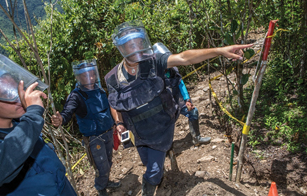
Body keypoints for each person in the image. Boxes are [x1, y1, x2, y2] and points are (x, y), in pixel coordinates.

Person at [104, 20, 253, 196]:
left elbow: (184, 57)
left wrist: (219, 51)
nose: (136, 47)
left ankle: (148, 188)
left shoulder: (154, 62)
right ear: (122, 48)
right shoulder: (113, 78)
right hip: (138, 132)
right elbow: (114, 102)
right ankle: (155, 177)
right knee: (148, 163)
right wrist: (119, 122)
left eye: (138, 42)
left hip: (160, 127)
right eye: (131, 44)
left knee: (153, 171)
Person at [0, 52, 76, 195]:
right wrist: (32, 116)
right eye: (7, 94)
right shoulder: (26, 124)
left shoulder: (22, 123)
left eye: (17, 90)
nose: (18, 98)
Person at [51, 59, 121, 196]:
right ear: (79, 77)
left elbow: (107, 109)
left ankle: (106, 182)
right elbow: (68, 111)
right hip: (95, 139)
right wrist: (61, 119)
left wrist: (114, 125)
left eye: (92, 74)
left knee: (108, 161)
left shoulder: (99, 90)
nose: (90, 77)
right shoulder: (77, 96)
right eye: (85, 75)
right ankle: (101, 188)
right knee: (101, 166)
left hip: (107, 133)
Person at [154, 42, 211, 146]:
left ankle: (196, 138)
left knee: (193, 111)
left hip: (177, 98)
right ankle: (165, 147)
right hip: (163, 104)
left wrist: (187, 99)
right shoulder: (154, 74)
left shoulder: (173, 69)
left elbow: (180, 83)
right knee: (163, 125)